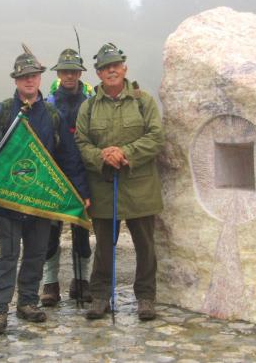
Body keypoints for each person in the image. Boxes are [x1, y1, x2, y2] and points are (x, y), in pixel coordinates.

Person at [0, 45, 90, 335]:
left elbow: (68, 158)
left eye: (33, 76)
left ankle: (28, 302)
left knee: (35, 253)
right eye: (24, 77)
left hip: (41, 199)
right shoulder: (4, 112)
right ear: (16, 81)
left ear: (40, 79)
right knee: (8, 256)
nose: (29, 81)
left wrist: (81, 192)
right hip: (9, 199)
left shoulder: (52, 115)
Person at [75, 43, 165, 321]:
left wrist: (125, 152)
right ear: (98, 73)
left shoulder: (143, 101)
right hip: (103, 186)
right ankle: (100, 296)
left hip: (140, 187)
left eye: (115, 65)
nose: (111, 70)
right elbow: (81, 141)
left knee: (145, 247)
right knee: (103, 246)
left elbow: (156, 136)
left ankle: (146, 298)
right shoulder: (88, 107)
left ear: (124, 68)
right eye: (104, 67)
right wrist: (102, 155)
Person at [40, 48, 94, 307]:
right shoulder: (49, 104)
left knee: (82, 229)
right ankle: (50, 283)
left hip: (85, 174)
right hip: (55, 176)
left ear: (80, 73)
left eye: (74, 70)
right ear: (58, 74)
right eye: (65, 71)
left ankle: (82, 280)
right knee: (51, 232)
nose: (70, 75)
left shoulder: (90, 103)